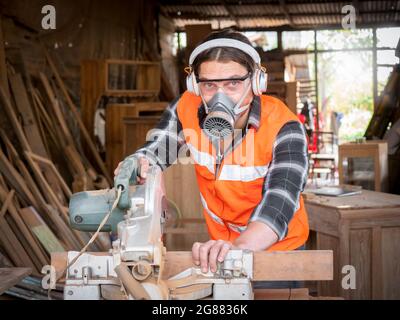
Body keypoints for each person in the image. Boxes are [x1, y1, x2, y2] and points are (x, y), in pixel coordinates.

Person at [114, 29, 309, 278]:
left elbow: (279, 203)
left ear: (257, 82)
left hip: (276, 253)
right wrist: (141, 163)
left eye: (233, 83)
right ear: (195, 85)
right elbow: (157, 149)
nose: (220, 96)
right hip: (221, 252)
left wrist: (238, 248)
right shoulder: (186, 107)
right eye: (209, 85)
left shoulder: (285, 128)